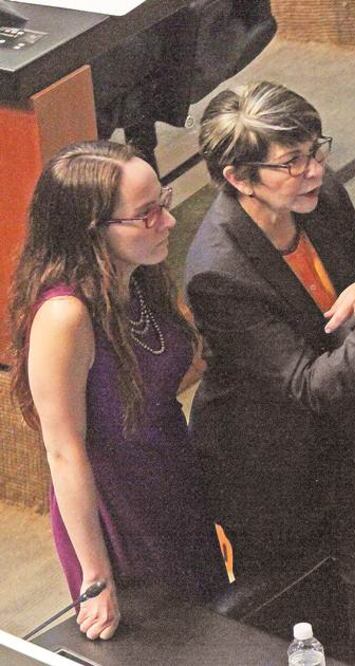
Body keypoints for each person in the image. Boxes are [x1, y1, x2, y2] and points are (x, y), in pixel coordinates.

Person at [186, 81, 355, 574]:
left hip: (344, 432)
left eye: (316, 150)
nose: (315, 169)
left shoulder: (321, 196)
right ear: (240, 177)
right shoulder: (218, 274)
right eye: (292, 162)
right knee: (303, 604)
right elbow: (310, 385)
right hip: (270, 467)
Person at [8, 141, 227, 640]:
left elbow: (159, 374)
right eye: (146, 215)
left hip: (171, 477)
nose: (168, 222)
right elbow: (63, 452)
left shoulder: (138, 276)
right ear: (91, 230)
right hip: (117, 509)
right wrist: (95, 577)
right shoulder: (65, 316)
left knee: (214, 629)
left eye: (163, 203)